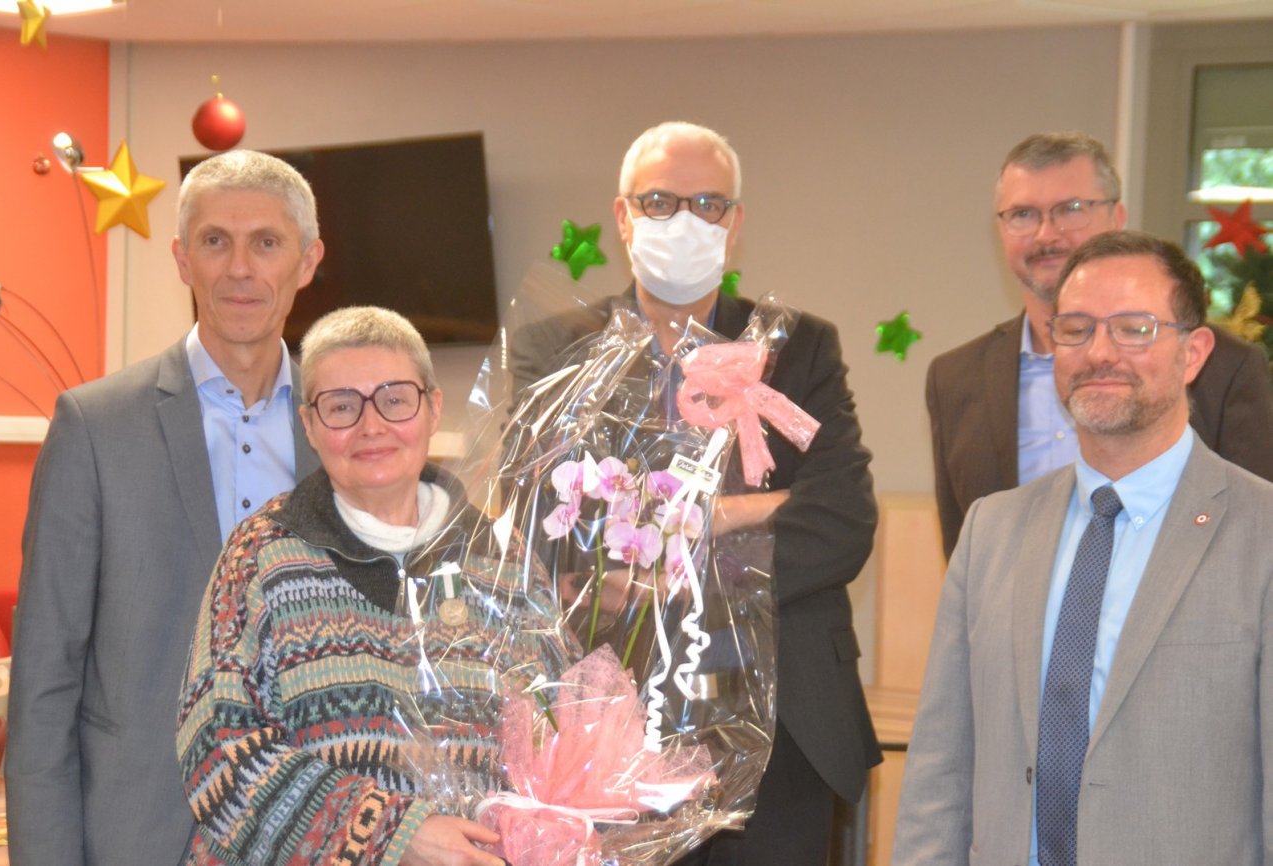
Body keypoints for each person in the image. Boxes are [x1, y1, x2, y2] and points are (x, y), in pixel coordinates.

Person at [510, 121, 880, 864]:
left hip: (786, 732)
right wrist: (760, 510)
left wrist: (692, 528)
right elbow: (551, 524)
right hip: (611, 729)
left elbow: (842, 519)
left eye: (709, 204)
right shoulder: (556, 348)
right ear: (623, 217)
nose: (685, 221)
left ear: (735, 224)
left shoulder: (798, 346)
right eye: (660, 202)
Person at [893, 230, 1273, 866]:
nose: (1100, 352)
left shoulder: (1261, 534)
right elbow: (941, 768)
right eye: (1075, 329)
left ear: (1194, 352)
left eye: (1134, 329)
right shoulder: (991, 531)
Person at [6, 149, 324, 866]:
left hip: (312, 835)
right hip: (139, 835)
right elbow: (45, 681)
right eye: (215, 241)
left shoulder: (340, 429)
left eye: (266, 242)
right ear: (183, 259)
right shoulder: (94, 426)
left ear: (307, 261)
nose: (239, 268)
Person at [177, 306, 574, 865]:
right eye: (342, 406)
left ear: (433, 408)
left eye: (394, 399)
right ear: (309, 425)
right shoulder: (261, 555)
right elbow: (216, 751)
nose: (371, 426)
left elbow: (564, 737)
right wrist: (392, 835)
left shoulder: (504, 564)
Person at [926, 132, 1273, 558]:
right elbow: (963, 553)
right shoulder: (954, 379)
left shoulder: (1224, 365)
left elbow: (1255, 541)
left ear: (1117, 215)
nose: (1046, 234)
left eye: (1071, 209)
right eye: (1022, 214)